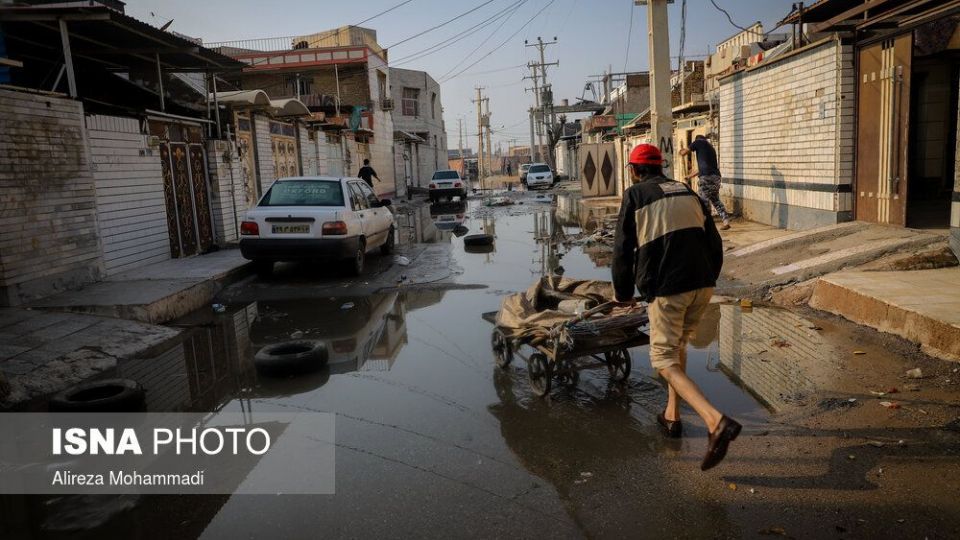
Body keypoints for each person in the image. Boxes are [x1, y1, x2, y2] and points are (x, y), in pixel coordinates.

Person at [612, 143, 741, 471]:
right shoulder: (685, 190)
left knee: (663, 359)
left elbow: (623, 251)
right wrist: (709, 278)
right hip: (703, 284)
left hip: (671, 289)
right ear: (661, 166)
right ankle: (672, 415)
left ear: (633, 170)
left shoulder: (635, 196)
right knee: (679, 344)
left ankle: (715, 421)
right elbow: (714, 241)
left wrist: (624, 294)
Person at [680, 134, 730, 230]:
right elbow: (702, 169)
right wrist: (689, 176)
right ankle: (726, 221)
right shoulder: (710, 148)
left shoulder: (698, 142)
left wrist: (680, 151)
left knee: (703, 201)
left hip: (706, 178)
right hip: (716, 177)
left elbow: (684, 152)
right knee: (715, 200)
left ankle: (706, 225)